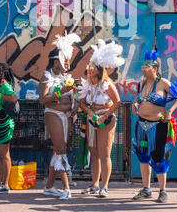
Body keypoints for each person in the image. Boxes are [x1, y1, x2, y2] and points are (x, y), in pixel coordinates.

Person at [131, 49, 177, 203]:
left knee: (159, 157)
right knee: (143, 157)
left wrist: (170, 111)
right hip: (141, 125)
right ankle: (146, 189)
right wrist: (134, 104)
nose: (143, 68)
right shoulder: (142, 83)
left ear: (155, 68)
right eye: (143, 65)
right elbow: (139, 99)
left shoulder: (163, 83)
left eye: (147, 66)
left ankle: (162, 191)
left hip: (157, 126)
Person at [79, 39, 123, 198]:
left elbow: (117, 102)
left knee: (105, 153)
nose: (89, 69)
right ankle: (95, 184)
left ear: (98, 69)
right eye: (89, 67)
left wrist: (104, 115)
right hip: (92, 119)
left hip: (105, 119)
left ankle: (104, 186)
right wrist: (89, 113)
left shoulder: (107, 84)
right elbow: (82, 102)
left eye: (92, 67)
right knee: (94, 152)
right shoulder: (88, 84)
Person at [39, 32, 81, 200]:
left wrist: (75, 106)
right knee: (61, 150)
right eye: (65, 59)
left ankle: (49, 186)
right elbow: (43, 100)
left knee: (59, 150)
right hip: (53, 114)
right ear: (56, 60)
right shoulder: (47, 76)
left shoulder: (67, 77)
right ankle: (66, 188)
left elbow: (75, 98)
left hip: (67, 116)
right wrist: (60, 91)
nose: (67, 62)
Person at [0, 62, 18, 194]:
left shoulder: (5, 86)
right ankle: (0, 183)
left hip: (4, 124)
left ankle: (5, 185)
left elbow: (13, 98)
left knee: (4, 155)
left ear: (2, 74)